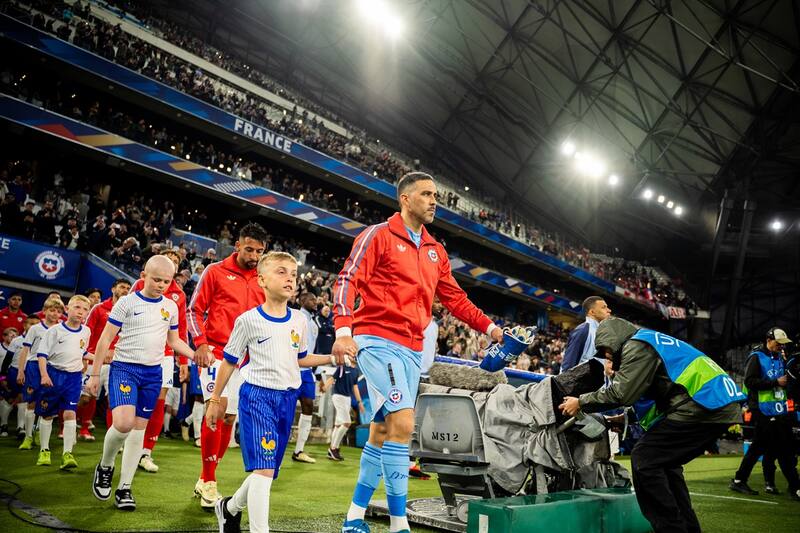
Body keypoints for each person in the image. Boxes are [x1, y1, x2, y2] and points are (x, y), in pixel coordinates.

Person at [333, 172, 504, 533]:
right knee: (404, 424)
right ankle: (399, 525)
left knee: (382, 431)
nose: (433, 200)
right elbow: (348, 278)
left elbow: (455, 298)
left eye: (435, 195)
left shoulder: (434, 250)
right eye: (426, 194)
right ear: (405, 199)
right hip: (377, 340)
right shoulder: (377, 235)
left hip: (412, 350)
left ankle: (353, 518)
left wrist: (490, 328)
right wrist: (343, 330)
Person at [559, 317, 745, 533]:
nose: (607, 358)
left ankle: (671, 529)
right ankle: (687, 528)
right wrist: (624, 419)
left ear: (614, 339)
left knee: (644, 458)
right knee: (667, 465)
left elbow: (622, 393)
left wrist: (580, 402)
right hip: (714, 403)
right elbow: (655, 396)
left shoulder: (636, 346)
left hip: (703, 404)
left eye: (607, 351)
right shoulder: (649, 341)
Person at [208, 251, 342, 533]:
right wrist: (214, 400)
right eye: (281, 272)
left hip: (286, 399)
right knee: (264, 470)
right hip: (256, 397)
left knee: (266, 472)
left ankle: (228, 508)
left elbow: (300, 358)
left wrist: (331, 357)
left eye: (293, 274)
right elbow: (229, 362)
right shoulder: (247, 320)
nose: (289, 278)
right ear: (262, 280)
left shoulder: (299, 321)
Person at [87, 256, 208, 510]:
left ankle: (125, 488)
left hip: (153, 373)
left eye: (166, 281)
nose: (161, 285)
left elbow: (174, 341)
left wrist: (195, 354)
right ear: (143, 275)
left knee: (138, 431)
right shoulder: (127, 303)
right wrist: (95, 374)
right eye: (156, 279)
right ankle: (106, 465)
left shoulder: (171, 307)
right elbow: (104, 339)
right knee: (122, 423)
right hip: (124, 369)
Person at [188, 222, 268, 508]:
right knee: (216, 410)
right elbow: (194, 309)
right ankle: (210, 482)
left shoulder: (263, 279)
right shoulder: (215, 271)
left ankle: (205, 477)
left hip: (247, 360)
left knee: (229, 419)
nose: (254, 255)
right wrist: (200, 343)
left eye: (260, 251)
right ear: (237, 246)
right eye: (249, 249)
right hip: (216, 353)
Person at [130, 249, 189, 473]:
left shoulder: (179, 296)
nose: (170, 265)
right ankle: (130, 441)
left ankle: (146, 452)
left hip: (164, 353)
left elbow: (181, 329)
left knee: (158, 400)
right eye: (167, 260)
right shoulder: (140, 284)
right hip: (137, 349)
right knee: (133, 398)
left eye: (174, 263)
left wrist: (183, 361)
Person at [730, 327, 800, 500]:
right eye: (779, 343)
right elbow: (750, 382)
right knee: (784, 448)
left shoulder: (779, 357)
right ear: (768, 340)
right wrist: (775, 382)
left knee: (759, 448)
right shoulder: (756, 357)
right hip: (763, 410)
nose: (781, 346)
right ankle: (795, 487)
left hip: (778, 409)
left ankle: (739, 480)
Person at [34, 295, 92, 469]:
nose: (80, 312)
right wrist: (44, 375)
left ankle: (67, 454)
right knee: (47, 414)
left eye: (84, 309)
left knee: (70, 413)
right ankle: (44, 450)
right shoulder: (54, 330)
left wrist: (100, 358)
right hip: (53, 374)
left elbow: (82, 352)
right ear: (67, 309)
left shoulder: (86, 331)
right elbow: (42, 354)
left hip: (73, 378)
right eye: (77, 307)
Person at [78, 278, 132, 441]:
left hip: (117, 362)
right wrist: (83, 355)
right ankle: (72, 425)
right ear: (113, 288)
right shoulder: (99, 308)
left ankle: (111, 435)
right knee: (87, 397)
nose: (125, 290)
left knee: (114, 399)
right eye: (122, 287)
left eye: (128, 288)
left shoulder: (129, 312)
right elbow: (86, 331)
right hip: (94, 360)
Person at [17, 297, 64, 450]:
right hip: (33, 366)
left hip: (52, 367)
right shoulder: (35, 328)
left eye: (58, 311)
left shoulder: (61, 329)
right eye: (51, 310)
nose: (55, 313)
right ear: (44, 311)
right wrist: (20, 370)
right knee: (31, 402)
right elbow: (25, 350)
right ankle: (28, 436)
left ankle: (38, 431)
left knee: (46, 402)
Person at [293, 291, 319, 464]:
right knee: (285, 409)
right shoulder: (295, 317)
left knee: (309, 406)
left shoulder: (314, 324)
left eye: (316, 300)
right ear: (302, 301)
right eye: (311, 299)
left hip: (307, 371)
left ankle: (299, 450)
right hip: (293, 369)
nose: (315, 302)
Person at [323, 363, 363, 461]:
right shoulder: (342, 368)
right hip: (338, 396)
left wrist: (359, 402)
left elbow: (355, 386)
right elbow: (332, 378)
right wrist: (324, 387)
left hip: (347, 398)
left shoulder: (356, 371)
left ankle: (331, 450)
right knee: (347, 423)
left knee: (338, 424)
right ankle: (334, 449)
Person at [561, 296, 611, 372]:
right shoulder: (583, 330)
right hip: (581, 383)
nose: (609, 310)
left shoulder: (601, 332)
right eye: (604, 307)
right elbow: (568, 364)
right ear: (592, 312)